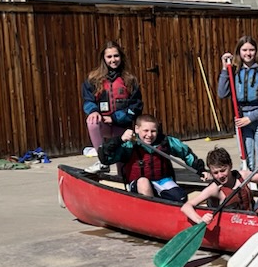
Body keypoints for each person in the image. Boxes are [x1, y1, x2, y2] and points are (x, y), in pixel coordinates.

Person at [98, 114, 204, 203]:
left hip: (162, 181)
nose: (149, 135)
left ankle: (163, 205)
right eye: (146, 131)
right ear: (136, 129)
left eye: (153, 131)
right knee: (144, 183)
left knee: (181, 197)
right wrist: (119, 140)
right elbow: (106, 158)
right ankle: (151, 210)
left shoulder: (165, 142)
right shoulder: (129, 144)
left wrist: (200, 170)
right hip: (138, 184)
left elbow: (185, 154)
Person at [82, 41, 143, 174]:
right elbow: (88, 100)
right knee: (91, 121)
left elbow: (136, 106)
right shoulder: (93, 79)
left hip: (121, 128)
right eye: (109, 57)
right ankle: (102, 160)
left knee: (123, 170)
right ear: (103, 58)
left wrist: (114, 118)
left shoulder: (130, 80)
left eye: (116, 56)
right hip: (103, 125)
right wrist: (93, 111)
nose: (113, 60)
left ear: (121, 57)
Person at [180, 145, 258, 225]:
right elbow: (186, 206)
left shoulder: (243, 176)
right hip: (231, 226)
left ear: (230, 165)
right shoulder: (214, 188)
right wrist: (200, 220)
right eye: (215, 173)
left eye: (223, 170)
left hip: (252, 221)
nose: (220, 176)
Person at [217, 35, 258, 174]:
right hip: (241, 120)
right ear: (239, 52)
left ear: (256, 51)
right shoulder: (233, 72)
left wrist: (251, 118)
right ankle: (248, 190)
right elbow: (222, 93)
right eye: (244, 50)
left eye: (251, 50)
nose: (248, 53)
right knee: (246, 161)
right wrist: (225, 69)